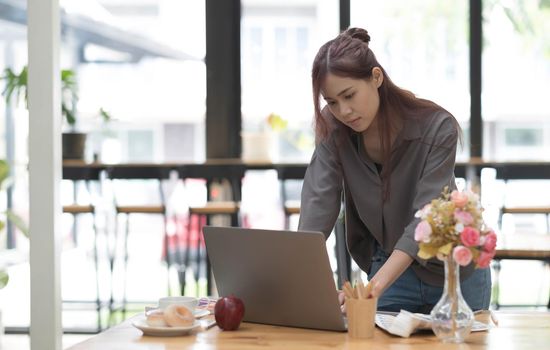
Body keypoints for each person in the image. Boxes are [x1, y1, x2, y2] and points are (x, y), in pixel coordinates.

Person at [298, 27, 491, 313]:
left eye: (349, 95)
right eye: (332, 102)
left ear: (376, 77)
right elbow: (317, 206)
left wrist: (369, 290)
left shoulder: (437, 127)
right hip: (390, 270)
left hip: (454, 273)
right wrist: (297, 284)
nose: (344, 111)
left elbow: (423, 221)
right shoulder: (334, 129)